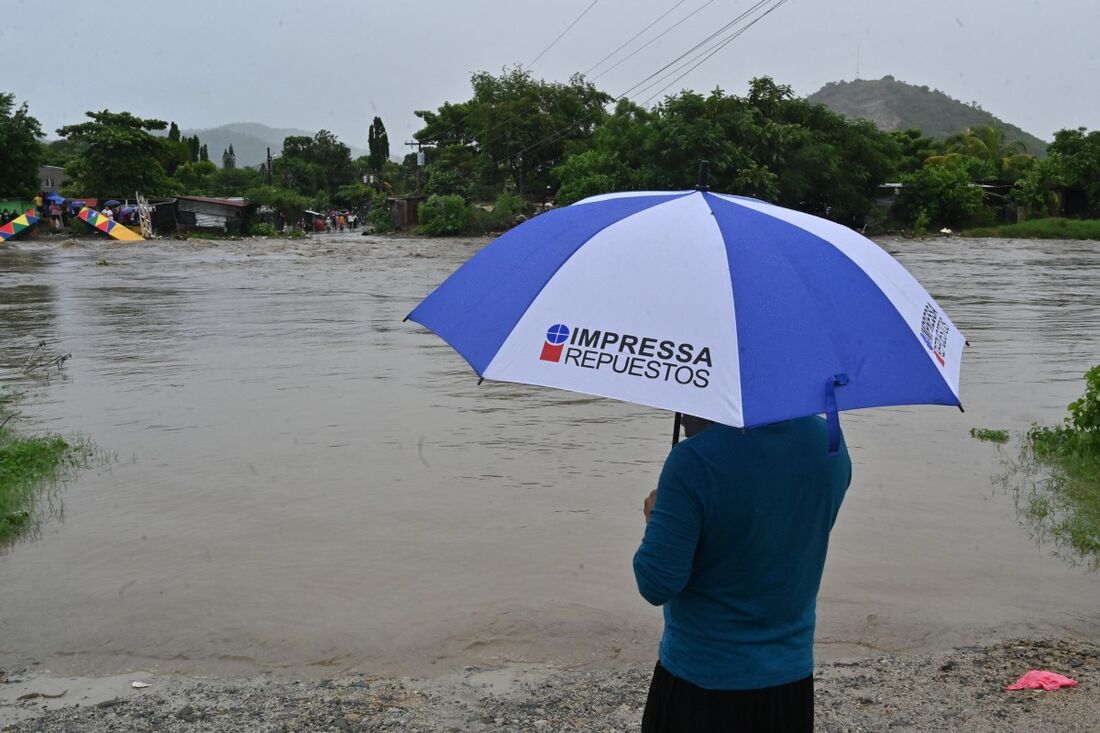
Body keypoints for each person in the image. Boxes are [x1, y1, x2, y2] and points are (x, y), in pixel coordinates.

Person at [634, 414, 852, 732]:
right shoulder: (828, 441)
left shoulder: (693, 461)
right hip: (789, 683)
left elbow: (657, 582)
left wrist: (657, 519)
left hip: (702, 682)